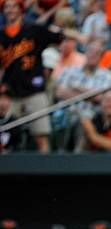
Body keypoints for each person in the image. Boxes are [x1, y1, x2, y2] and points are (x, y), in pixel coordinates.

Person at [0, 0, 65, 152]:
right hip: (10, 94)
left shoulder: (33, 30)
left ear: (21, 10)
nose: (10, 10)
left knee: (41, 135)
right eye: (7, 7)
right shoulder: (1, 35)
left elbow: (58, 37)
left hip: (34, 91)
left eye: (14, 7)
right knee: (5, 137)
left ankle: (48, 172)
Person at [56, 40, 111, 120]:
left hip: (90, 119)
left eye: (97, 53)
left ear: (101, 56)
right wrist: (91, 95)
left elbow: (101, 99)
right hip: (64, 117)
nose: (93, 55)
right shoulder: (70, 71)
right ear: (85, 52)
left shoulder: (108, 76)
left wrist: (76, 87)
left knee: (84, 120)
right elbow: (60, 93)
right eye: (91, 51)